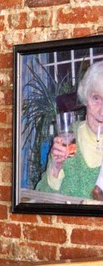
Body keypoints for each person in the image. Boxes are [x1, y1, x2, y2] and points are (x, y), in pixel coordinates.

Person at [36, 61, 103, 199]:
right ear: (85, 99)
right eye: (96, 98)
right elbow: (41, 197)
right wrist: (55, 168)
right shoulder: (67, 138)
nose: (102, 111)